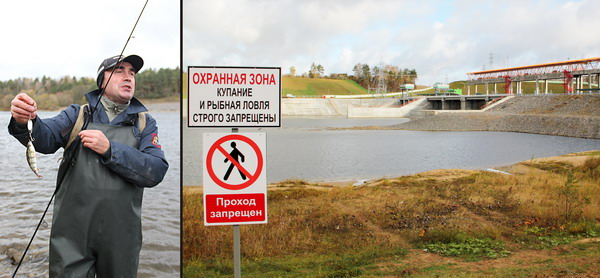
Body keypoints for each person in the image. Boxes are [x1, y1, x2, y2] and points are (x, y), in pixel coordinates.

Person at [8, 54, 169, 277]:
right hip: (71, 236)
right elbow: (44, 139)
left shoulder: (145, 123)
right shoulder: (77, 114)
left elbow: (156, 170)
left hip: (122, 237)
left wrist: (110, 149)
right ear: (101, 80)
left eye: (132, 73)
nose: (128, 77)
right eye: (120, 71)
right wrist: (24, 120)